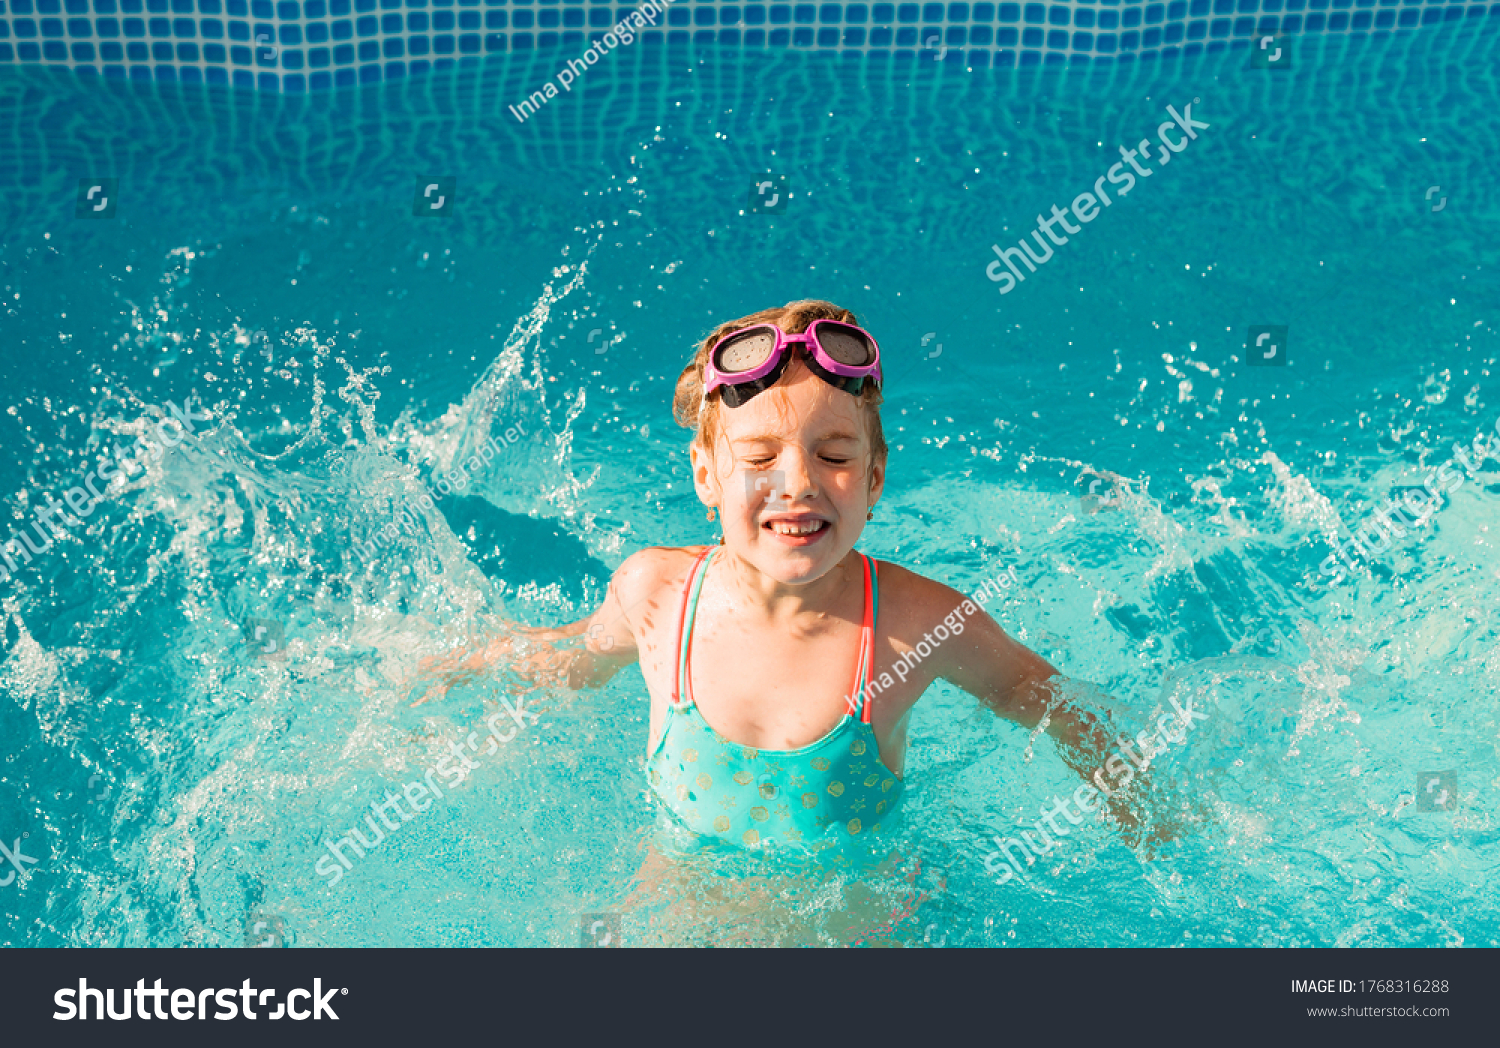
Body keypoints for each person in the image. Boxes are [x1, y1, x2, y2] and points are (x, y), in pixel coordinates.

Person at [411, 299, 1164, 861]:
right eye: (761, 457)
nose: (798, 483)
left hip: (862, 933)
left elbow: (1036, 696)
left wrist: (1146, 808)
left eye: (834, 455)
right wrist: (448, 670)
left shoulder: (913, 623)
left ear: (874, 479)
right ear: (706, 475)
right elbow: (571, 657)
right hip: (678, 926)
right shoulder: (660, 598)